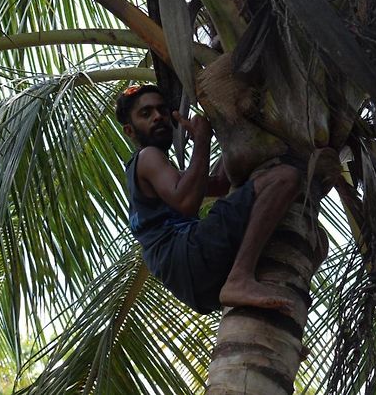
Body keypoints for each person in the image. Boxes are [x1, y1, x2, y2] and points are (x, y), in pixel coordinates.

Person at [115, 84, 301, 315]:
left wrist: (227, 130)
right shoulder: (147, 157)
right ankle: (241, 277)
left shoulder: (152, 177)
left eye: (162, 111)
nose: (158, 117)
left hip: (197, 288)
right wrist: (202, 140)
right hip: (190, 254)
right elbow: (186, 202)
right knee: (283, 177)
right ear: (130, 131)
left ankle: (246, 289)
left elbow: (221, 183)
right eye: (146, 113)